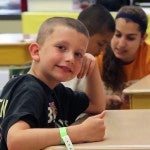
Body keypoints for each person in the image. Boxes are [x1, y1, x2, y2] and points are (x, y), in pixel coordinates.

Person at [0, 17, 106, 150]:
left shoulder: (56, 90)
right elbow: (15, 141)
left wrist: (93, 67)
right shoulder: (29, 89)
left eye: (78, 54)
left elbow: (96, 105)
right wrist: (78, 133)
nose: (70, 59)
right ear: (36, 52)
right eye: (61, 47)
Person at [97, 5, 150, 109]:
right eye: (117, 35)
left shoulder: (147, 57)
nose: (121, 44)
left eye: (130, 38)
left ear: (143, 38)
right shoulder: (98, 56)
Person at [63, 4, 115, 91]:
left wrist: (106, 99)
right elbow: (65, 100)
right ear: (84, 35)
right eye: (101, 44)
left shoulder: (87, 62)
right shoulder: (68, 62)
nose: (102, 50)